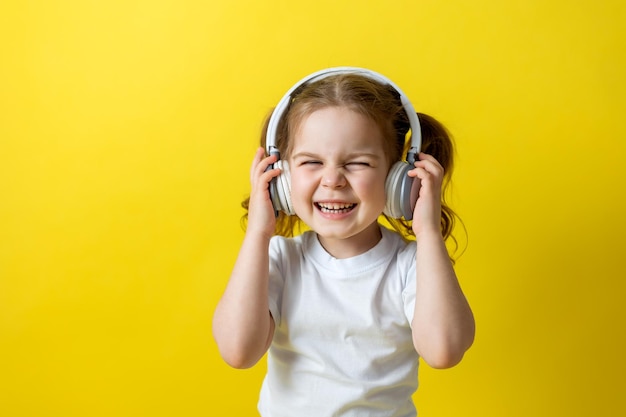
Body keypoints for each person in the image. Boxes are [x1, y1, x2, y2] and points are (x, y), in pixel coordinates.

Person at [212, 67, 475, 417]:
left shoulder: (411, 265)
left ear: (397, 177)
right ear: (283, 179)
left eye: (358, 163)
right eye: (311, 162)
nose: (333, 180)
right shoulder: (279, 259)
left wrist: (427, 232)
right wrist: (259, 234)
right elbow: (237, 351)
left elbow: (444, 351)